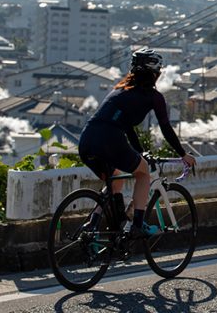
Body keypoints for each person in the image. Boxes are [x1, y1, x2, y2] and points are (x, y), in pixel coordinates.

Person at [78, 48, 197, 238]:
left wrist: (139, 152)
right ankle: (138, 225)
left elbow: (126, 127)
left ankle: (92, 225)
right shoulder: (153, 97)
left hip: (87, 139)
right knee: (143, 174)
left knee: (115, 179)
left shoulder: (119, 90)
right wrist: (183, 154)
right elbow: (166, 129)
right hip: (110, 139)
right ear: (155, 74)